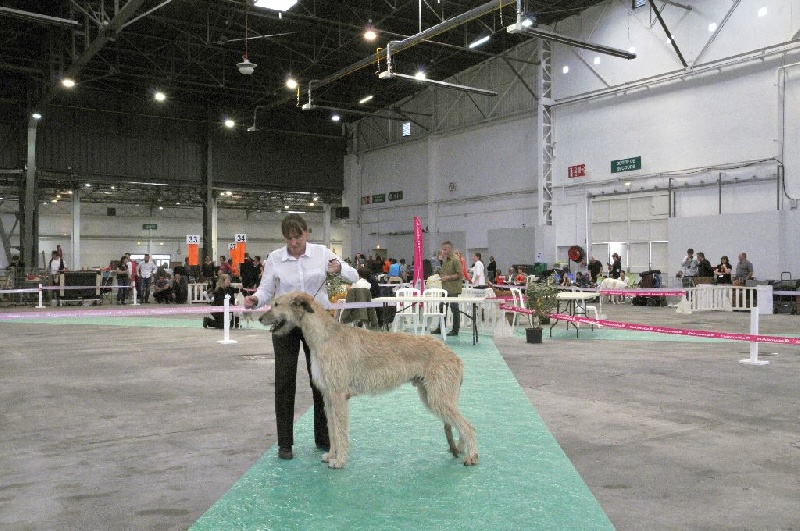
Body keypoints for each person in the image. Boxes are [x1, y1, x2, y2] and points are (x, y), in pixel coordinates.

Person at [243, 214, 358, 460]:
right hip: (286, 324)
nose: (293, 242)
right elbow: (266, 290)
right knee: (284, 382)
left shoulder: (322, 253)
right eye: (289, 238)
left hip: (319, 325)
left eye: (298, 236)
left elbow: (353, 276)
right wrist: (255, 299)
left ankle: (324, 438)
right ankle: (285, 443)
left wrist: (339, 268)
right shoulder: (275, 258)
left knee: (323, 382)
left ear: (307, 232)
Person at [431, 240, 463, 337]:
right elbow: (445, 272)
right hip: (445, 288)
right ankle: (441, 327)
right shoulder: (445, 260)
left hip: (453, 288)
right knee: (441, 307)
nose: (444, 251)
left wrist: (448, 277)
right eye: (443, 249)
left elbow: (459, 275)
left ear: (450, 249)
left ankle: (455, 330)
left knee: (454, 309)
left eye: (445, 249)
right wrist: (439, 275)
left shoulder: (456, 260)